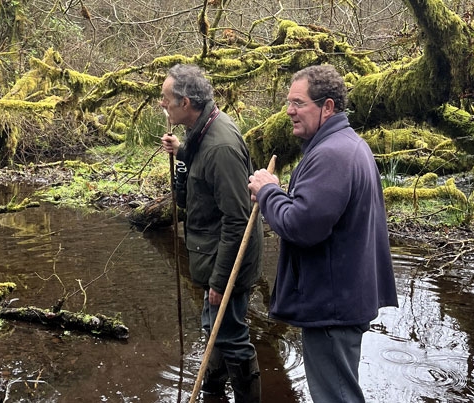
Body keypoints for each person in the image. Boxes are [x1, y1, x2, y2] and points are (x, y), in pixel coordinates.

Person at [247, 64, 399, 403]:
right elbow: (316, 212)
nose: (289, 111)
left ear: (327, 107)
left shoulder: (332, 154)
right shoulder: (345, 146)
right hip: (342, 298)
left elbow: (302, 226)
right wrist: (279, 194)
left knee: (337, 396)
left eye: (298, 103)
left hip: (334, 305)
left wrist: (270, 191)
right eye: (289, 102)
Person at [160, 64, 263, 403]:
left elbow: (238, 220)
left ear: (186, 102)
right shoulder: (201, 131)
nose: (163, 105)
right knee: (215, 328)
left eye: (166, 100)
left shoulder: (221, 147)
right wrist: (182, 154)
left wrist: (220, 283)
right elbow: (199, 175)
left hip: (230, 261)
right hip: (215, 254)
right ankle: (213, 392)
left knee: (231, 335)